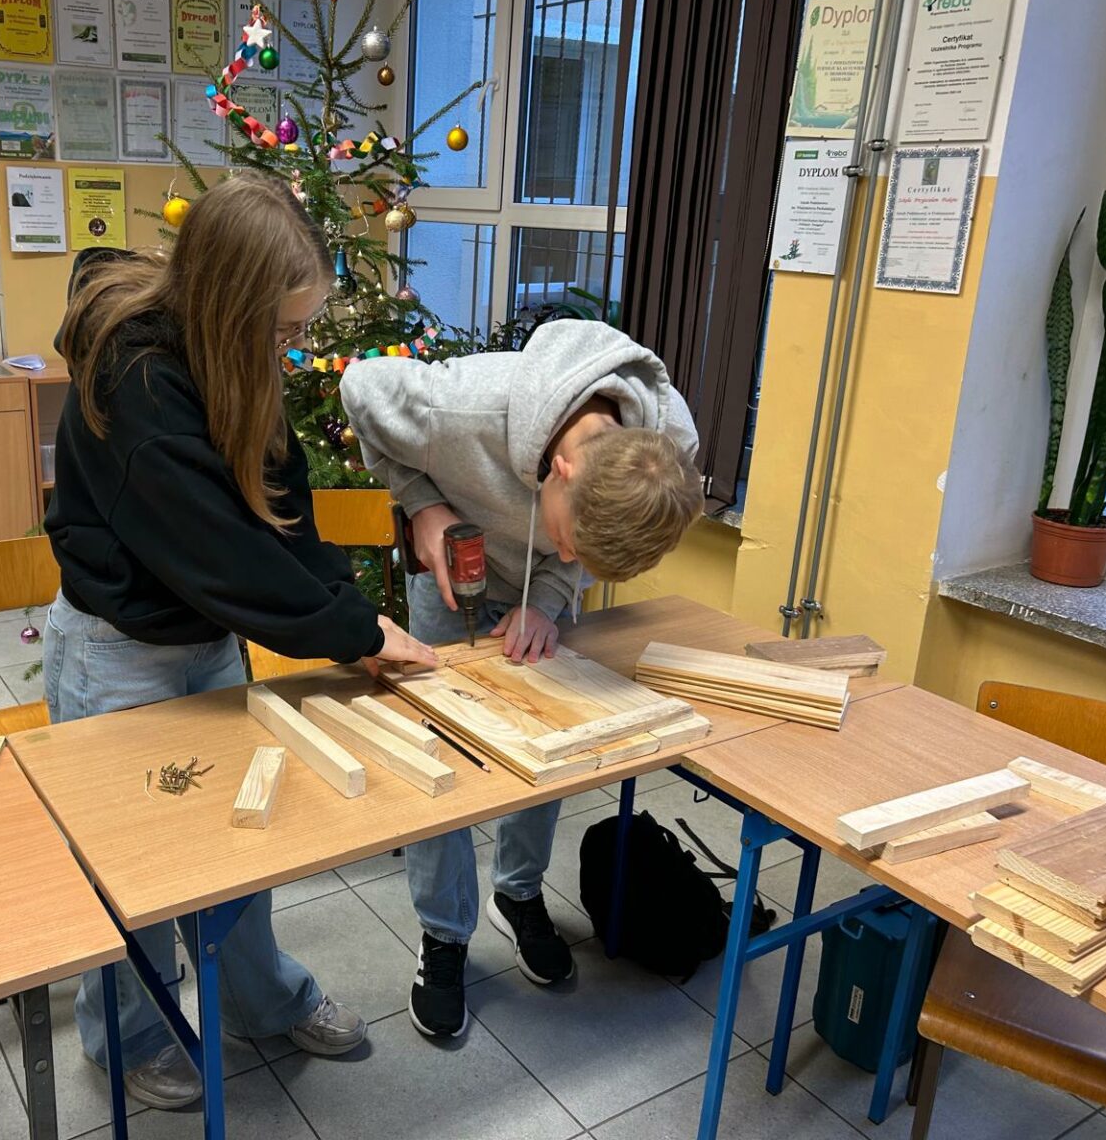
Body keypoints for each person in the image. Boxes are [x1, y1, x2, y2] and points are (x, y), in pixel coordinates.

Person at [44, 171, 436, 1108]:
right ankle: (131, 1034)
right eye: (281, 328)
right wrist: (354, 634)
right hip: (118, 653)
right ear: (228, 307)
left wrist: (348, 602)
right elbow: (223, 557)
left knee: (238, 838)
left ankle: (262, 1001)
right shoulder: (136, 383)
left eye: (300, 328)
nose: (290, 347)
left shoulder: (236, 354)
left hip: (204, 641)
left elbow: (282, 507)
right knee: (137, 865)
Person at [341, 318, 704, 1038]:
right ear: (562, 470)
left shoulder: (670, 446)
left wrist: (554, 592)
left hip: (538, 598)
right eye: (570, 540)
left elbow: (575, 555)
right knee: (439, 755)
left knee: (548, 733)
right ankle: (445, 933)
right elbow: (358, 386)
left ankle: (518, 892)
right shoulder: (460, 407)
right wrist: (423, 505)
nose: (569, 553)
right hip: (456, 572)